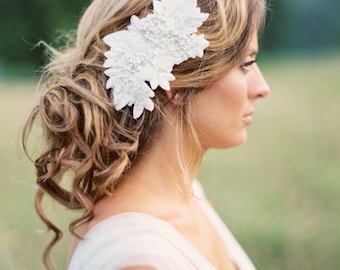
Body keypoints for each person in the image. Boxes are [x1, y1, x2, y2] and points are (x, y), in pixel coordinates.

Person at [23, 0, 270, 269]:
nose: (262, 87)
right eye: (246, 63)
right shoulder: (138, 260)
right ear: (174, 83)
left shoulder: (187, 196)